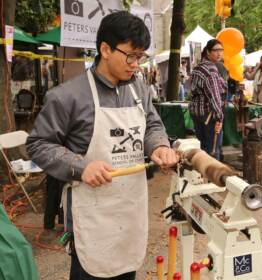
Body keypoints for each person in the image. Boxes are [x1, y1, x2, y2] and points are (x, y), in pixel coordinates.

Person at [26, 11, 178, 280]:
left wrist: (158, 147)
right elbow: (38, 144)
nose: (135, 64)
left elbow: (152, 125)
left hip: (130, 208)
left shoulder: (139, 89)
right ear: (105, 49)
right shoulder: (67, 96)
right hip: (92, 213)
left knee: (126, 272)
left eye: (140, 57)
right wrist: (81, 166)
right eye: (130, 55)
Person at [189, 39, 227, 160]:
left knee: (202, 147)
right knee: (212, 151)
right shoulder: (211, 70)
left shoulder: (198, 67)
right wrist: (220, 117)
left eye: (221, 50)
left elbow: (192, 89)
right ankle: (211, 177)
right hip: (208, 115)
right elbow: (215, 96)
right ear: (208, 52)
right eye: (216, 50)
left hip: (197, 112)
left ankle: (202, 175)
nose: (219, 53)